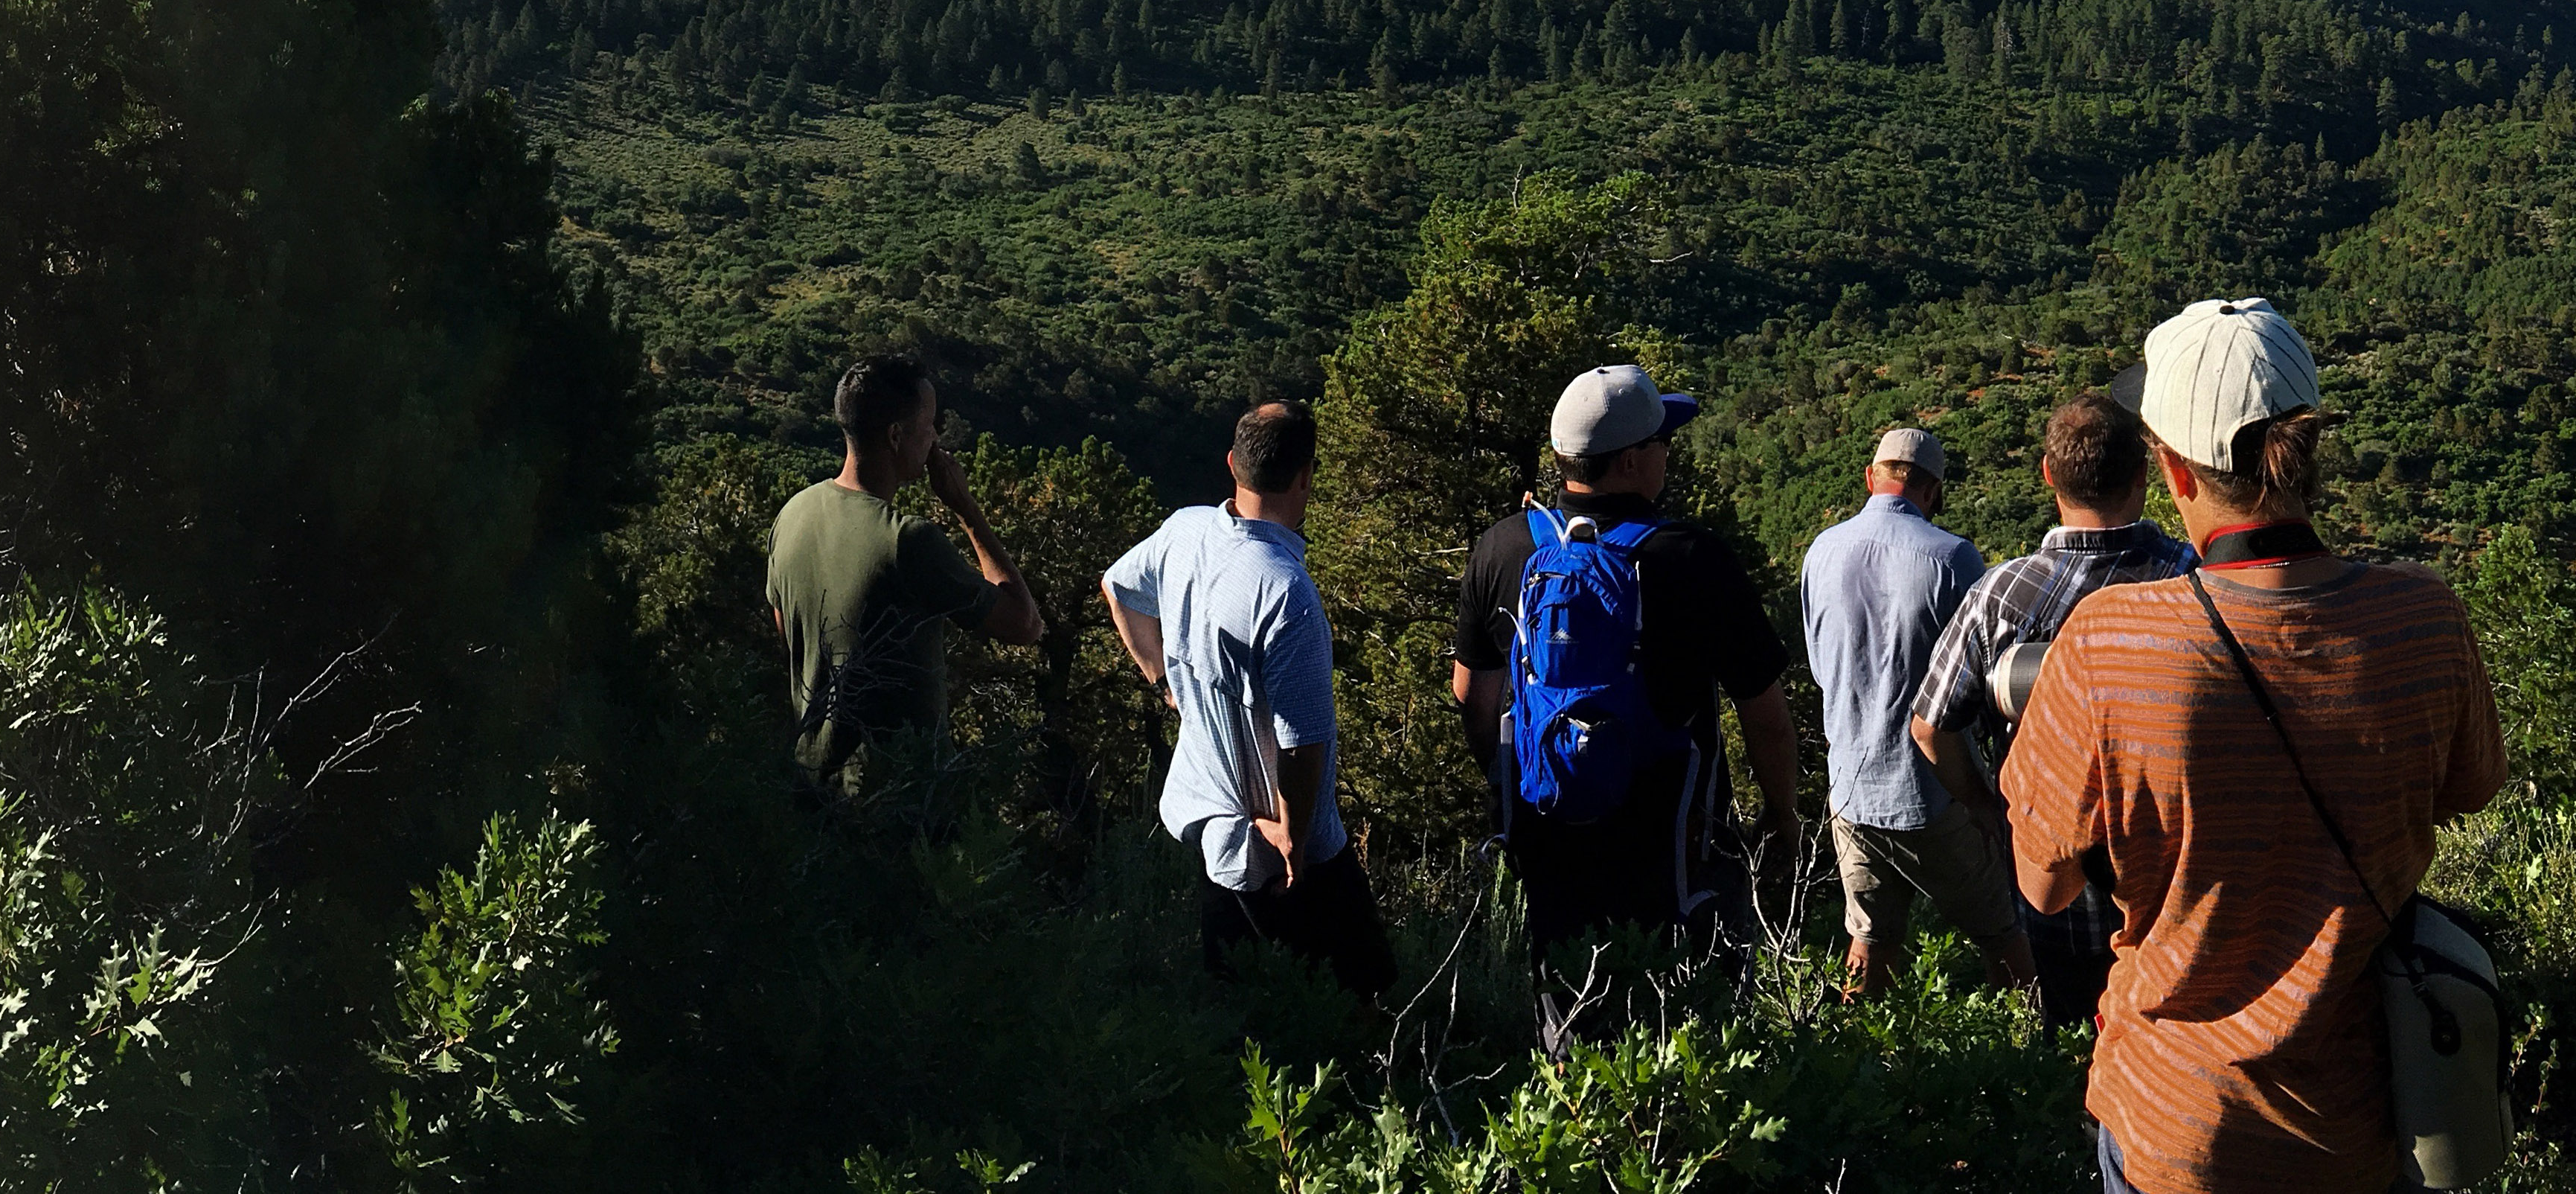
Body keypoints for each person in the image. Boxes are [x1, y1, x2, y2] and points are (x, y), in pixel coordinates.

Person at [2004, 301, 2507, 1194]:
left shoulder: (2108, 645)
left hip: (2177, 1126)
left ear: (2170, 468)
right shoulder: (2424, 616)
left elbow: (2046, 885)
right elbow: (2468, 787)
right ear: (2305, 447)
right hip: (2368, 1119)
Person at [1452, 362, 1802, 965]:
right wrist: (1782, 814)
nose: (1668, 454)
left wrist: (1517, 782)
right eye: (1663, 441)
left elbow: (1474, 699)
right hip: (1673, 845)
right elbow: (1763, 713)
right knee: (1699, 1023)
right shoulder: (1694, 557)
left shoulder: (1504, 546)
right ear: (1632, 460)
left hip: (1547, 837)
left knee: (1566, 1010)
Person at [1905, 390, 2194, 1028]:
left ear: (2047, 474)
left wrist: (1987, 807)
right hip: (2177, 901)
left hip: (2053, 906)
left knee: (2067, 1061)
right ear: (2144, 475)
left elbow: (1929, 725)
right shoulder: (2189, 580)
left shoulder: (1999, 594)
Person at [1101, 400, 1392, 994]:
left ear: (1233, 463)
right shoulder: (1285, 593)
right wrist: (1295, 838)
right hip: (1282, 850)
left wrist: (1164, 682)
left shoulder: (1185, 530)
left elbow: (1119, 587)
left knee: (1237, 1011)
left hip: (1215, 825)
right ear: (1306, 475)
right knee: (1362, 997)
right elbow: (1302, 743)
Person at [766, 353, 1048, 816]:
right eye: (930, 424)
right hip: (898, 800)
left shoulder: (793, 513)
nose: (936, 437)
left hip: (810, 790)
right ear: (896, 436)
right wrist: (965, 509)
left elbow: (788, 635)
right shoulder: (907, 540)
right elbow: (1024, 625)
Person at [1802, 424, 2016, 995]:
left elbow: (1821, 669)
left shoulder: (1820, 550)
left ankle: (1862, 1061)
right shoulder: (1952, 558)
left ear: (1872, 478)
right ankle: (2031, 1059)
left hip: (1849, 786)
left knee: (1870, 942)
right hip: (1934, 790)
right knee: (2007, 936)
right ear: (1932, 490)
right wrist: (1983, 797)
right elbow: (1985, 678)